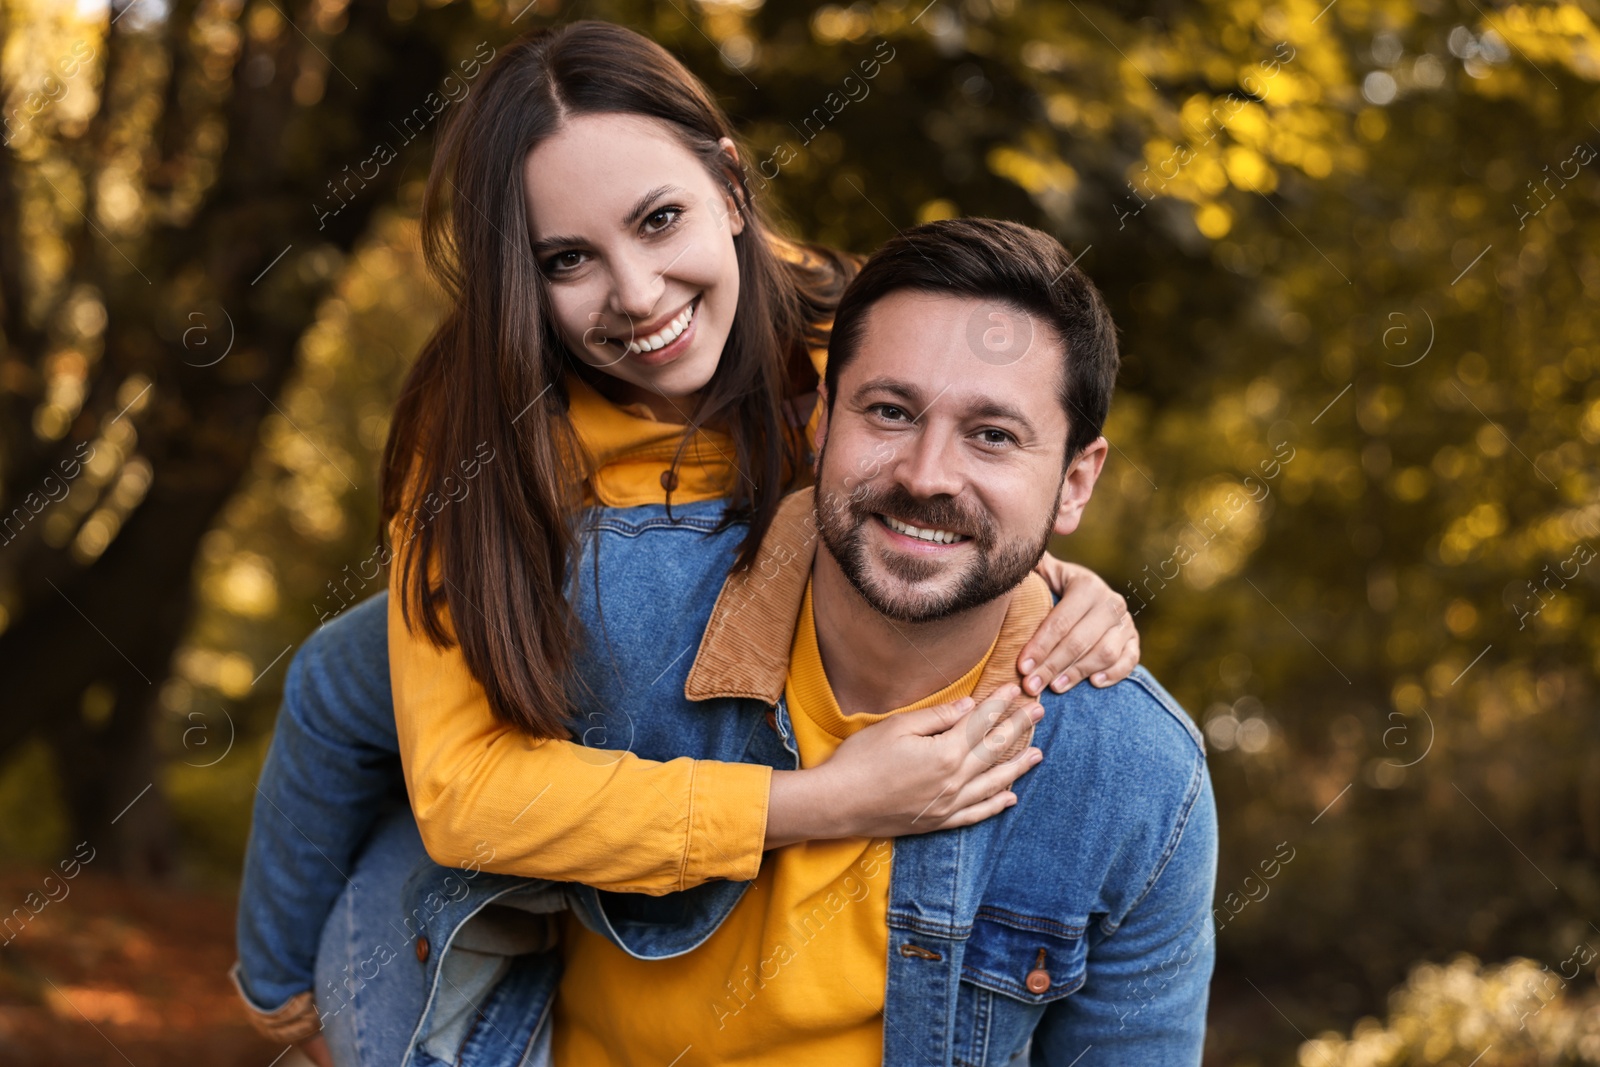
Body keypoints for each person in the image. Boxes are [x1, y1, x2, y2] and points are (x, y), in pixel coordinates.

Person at [230, 21, 1143, 1059]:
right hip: (528, 712)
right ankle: (273, 1000)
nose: (635, 292)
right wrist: (820, 800)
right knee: (341, 678)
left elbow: (947, 489)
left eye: (660, 220)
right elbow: (465, 794)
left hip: (671, 721)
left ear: (732, 188)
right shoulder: (480, 434)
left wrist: (1060, 583)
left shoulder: (836, 341)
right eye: (567, 258)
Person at [389, 217, 1216, 1066]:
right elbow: (425, 777)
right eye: (890, 411)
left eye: (993, 436)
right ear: (821, 420)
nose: (927, 474)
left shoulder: (1137, 780)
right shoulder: (610, 602)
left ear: (1074, 483)